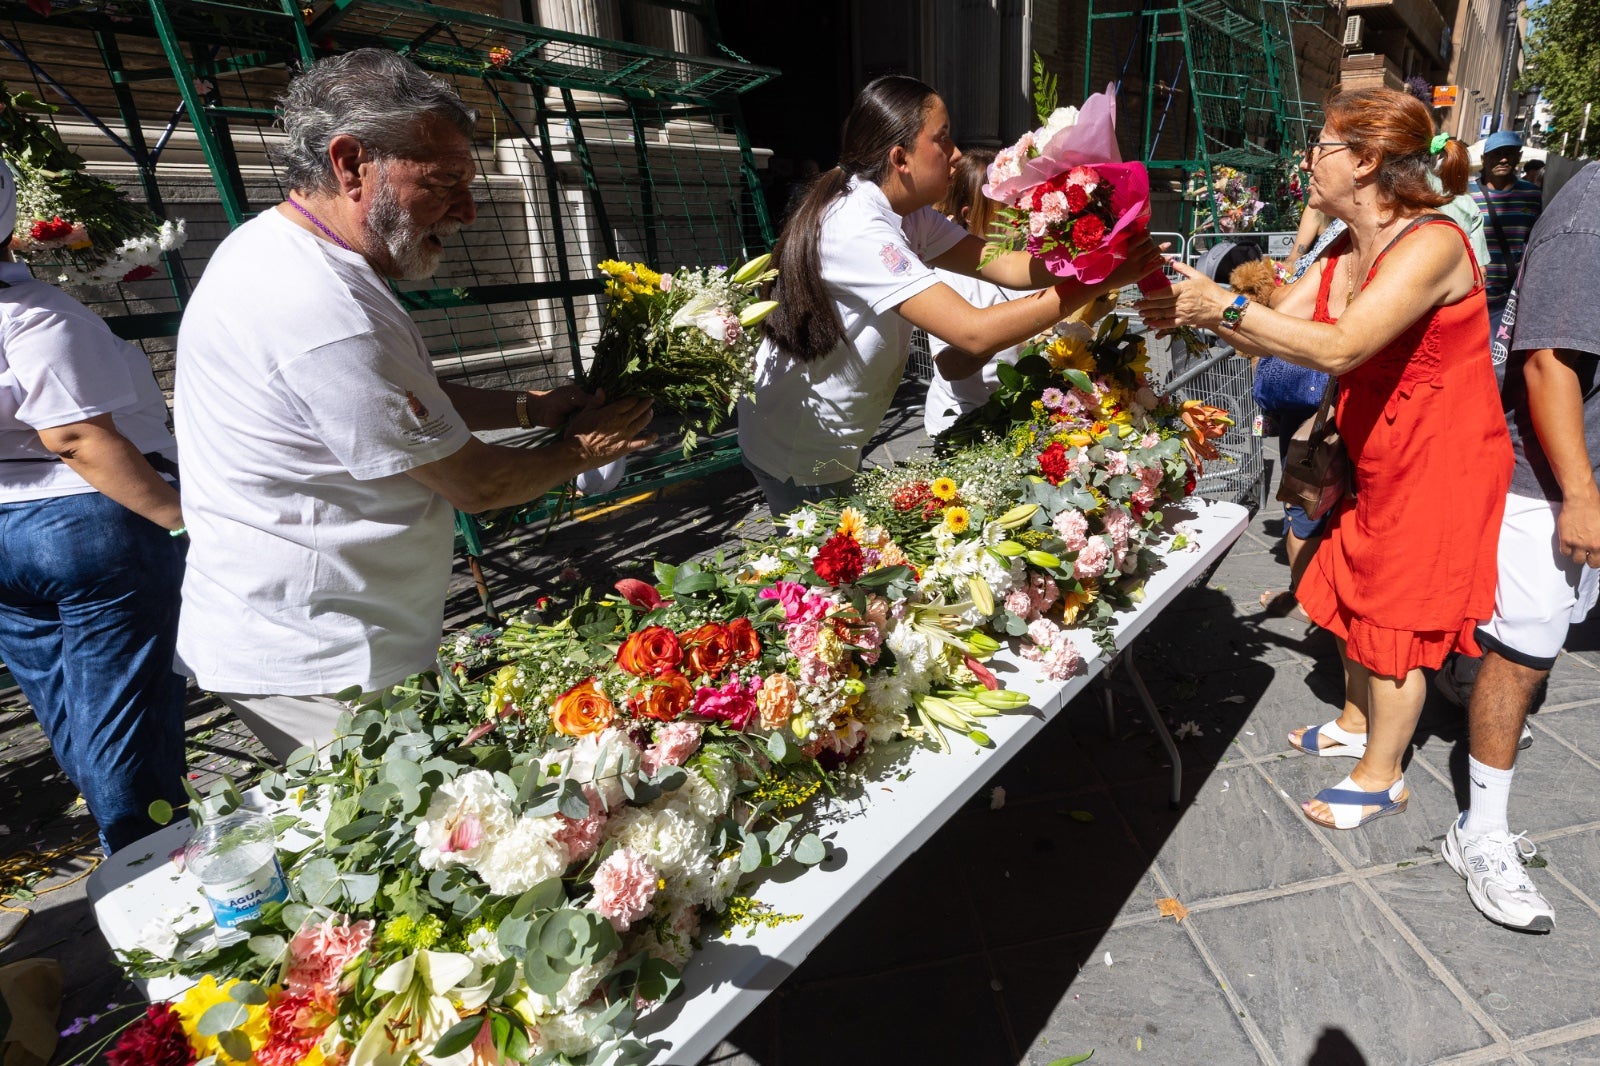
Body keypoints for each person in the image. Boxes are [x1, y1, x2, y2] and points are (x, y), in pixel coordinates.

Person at [174, 50, 655, 762]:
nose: (466, 210)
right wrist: (584, 449)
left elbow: (395, 398)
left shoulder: (297, 254)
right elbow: (478, 485)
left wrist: (529, 408)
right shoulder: (319, 303)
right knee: (414, 836)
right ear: (350, 165)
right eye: (445, 183)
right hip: (321, 656)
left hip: (348, 628)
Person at [1138, 87, 1512, 830]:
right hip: (1368, 445)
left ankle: (1382, 775)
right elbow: (1272, 331)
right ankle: (1353, 721)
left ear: (1368, 160)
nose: (1308, 159)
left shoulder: (1432, 242)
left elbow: (1342, 346)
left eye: (1323, 146)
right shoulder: (1345, 245)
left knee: (1394, 615)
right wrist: (1194, 306)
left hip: (1437, 460)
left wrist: (1229, 308)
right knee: (1346, 584)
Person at [738, 74, 1162, 516]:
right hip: (800, 449)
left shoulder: (909, 213)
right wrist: (1095, 283)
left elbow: (1009, 267)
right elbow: (972, 333)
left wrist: (1098, 246)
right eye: (942, 139)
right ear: (900, 158)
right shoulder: (858, 228)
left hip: (830, 437)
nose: (956, 153)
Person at [0, 164, 189, 853]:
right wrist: (179, 518)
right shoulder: (36, 314)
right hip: (87, 521)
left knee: (72, 714)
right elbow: (76, 437)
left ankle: (131, 852)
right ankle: (156, 869)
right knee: (124, 718)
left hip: (4, 529)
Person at [1438, 161, 1600, 933]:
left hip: (1579, 481)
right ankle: (1480, 833)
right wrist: (1580, 495)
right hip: (1553, 484)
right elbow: (1548, 364)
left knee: (1536, 643)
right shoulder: (1593, 209)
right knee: (1523, 656)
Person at [922, 148, 1036, 437]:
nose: (1019, 216)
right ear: (969, 215)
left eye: (1019, 203)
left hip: (1023, 419)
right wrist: (1014, 326)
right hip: (964, 423)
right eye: (1006, 209)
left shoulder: (1032, 258)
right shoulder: (947, 274)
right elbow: (950, 366)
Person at [1470, 130, 1542, 336]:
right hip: (1474, 293)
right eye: (1496, 154)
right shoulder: (1466, 194)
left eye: (1509, 153)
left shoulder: (1531, 194)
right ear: (1484, 159)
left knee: (1501, 361)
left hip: (1511, 296)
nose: (1503, 159)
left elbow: (1535, 241)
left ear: (1518, 157)